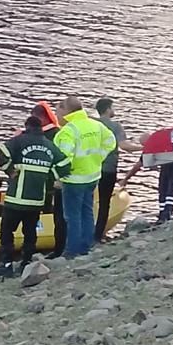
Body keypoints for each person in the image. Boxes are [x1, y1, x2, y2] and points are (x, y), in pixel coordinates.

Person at [0, 116, 71, 277]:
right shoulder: (49, 145)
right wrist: (50, 177)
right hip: (36, 200)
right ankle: (26, 263)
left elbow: (1, 151)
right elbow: (66, 164)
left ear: (27, 126)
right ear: (41, 128)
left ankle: (6, 265)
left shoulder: (19, 141)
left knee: (6, 232)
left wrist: (10, 170)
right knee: (30, 233)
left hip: (15, 199)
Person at [54, 97, 116, 258]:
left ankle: (71, 251)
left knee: (72, 216)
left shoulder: (68, 131)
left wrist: (57, 177)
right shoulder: (95, 125)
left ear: (66, 111)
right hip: (92, 176)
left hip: (74, 179)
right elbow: (111, 142)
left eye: (58, 112)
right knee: (87, 212)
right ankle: (86, 246)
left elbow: (63, 158)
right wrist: (98, 158)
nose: (57, 116)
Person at [94, 97, 142, 243]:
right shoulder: (115, 127)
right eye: (112, 108)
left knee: (86, 202)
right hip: (108, 168)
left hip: (89, 168)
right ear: (108, 109)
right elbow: (124, 146)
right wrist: (144, 148)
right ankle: (97, 235)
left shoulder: (92, 124)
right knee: (104, 202)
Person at [120, 133, 173, 225]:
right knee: (162, 188)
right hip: (170, 162)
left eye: (144, 145)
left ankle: (166, 214)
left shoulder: (152, 146)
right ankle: (162, 214)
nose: (145, 147)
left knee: (171, 188)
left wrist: (126, 179)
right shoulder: (159, 142)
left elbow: (138, 165)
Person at [31, 101, 66, 259]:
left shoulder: (53, 134)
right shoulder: (51, 133)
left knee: (51, 206)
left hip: (50, 178)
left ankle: (56, 243)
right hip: (44, 177)